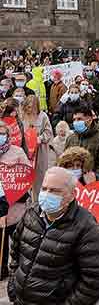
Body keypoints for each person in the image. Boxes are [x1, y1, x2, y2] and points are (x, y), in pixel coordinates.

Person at [6, 167, 99, 305]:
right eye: (44, 188)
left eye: (55, 191)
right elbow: (16, 252)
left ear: (71, 195)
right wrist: (13, 287)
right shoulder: (31, 214)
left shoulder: (86, 227)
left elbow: (94, 280)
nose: (47, 194)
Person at [0, 120, 31, 280]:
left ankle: (20, 268)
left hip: (16, 205)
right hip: (0, 208)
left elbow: (27, 175)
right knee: (1, 241)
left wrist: (17, 193)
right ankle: (2, 269)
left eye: (2, 133)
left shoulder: (17, 151)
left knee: (19, 240)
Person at [19, 94, 53, 200]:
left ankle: (38, 201)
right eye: (28, 107)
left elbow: (48, 132)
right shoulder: (21, 116)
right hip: (24, 151)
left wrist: (40, 138)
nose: (30, 110)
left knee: (39, 177)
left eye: (33, 107)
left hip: (39, 152)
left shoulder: (43, 116)